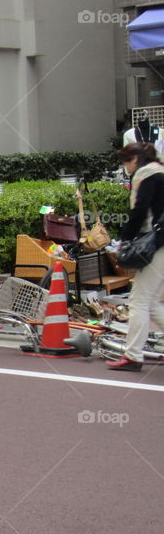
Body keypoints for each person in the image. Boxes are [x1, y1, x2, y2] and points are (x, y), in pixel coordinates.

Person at [106, 142, 164, 371]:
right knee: (151, 300)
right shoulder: (161, 172)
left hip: (157, 243)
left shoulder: (145, 175)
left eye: (126, 163)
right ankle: (134, 354)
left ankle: (132, 356)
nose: (126, 169)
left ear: (134, 160)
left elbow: (139, 212)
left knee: (138, 300)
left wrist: (124, 240)